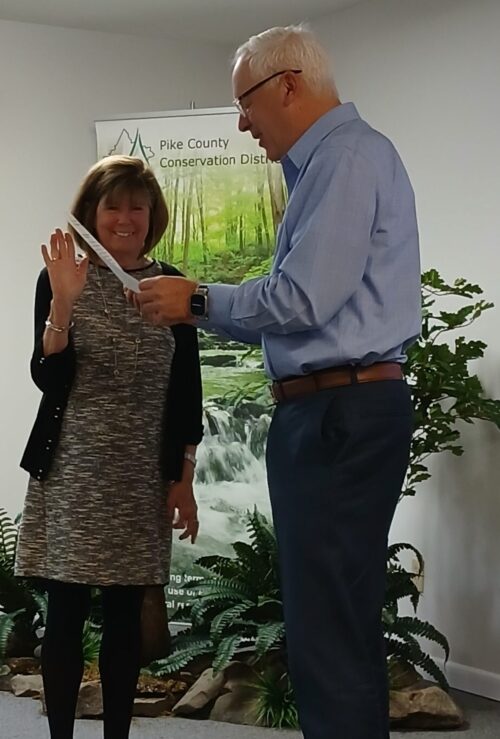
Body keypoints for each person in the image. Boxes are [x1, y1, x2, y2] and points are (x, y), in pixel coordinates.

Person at [132, 25, 421, 739]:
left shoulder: (346, 159)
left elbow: (302, 297)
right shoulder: (331, 165)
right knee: (331, 620)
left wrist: (197, 301)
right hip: (338, 408)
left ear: (288, 84)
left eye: (245, 102)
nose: (240, 122)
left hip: (339, 411)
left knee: (329, 627)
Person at [16, 155, 203, 739]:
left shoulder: (173, 286)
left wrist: (184, 477)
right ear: (92, 214)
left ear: (153, 216)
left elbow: (187, 390)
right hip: (72, 471)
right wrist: (64, 304)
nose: (125, 219)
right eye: (113, 206)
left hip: (141, 475)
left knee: (127, 619)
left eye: (137, 207)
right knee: (66, 616)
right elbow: (47, 376)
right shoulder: (61, 276)